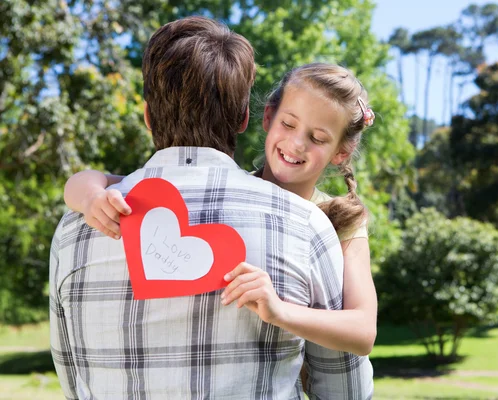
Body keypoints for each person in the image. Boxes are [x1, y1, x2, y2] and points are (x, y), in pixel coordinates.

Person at [50, 16, 373, 400]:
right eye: (290, 125)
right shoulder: (307, 229)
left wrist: (85, 195)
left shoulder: (82, 223)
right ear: (250, 118)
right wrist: (86, 189)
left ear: (148, 117)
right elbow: (344, 389)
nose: (297, 145)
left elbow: (73, 381)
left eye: (317, 137)